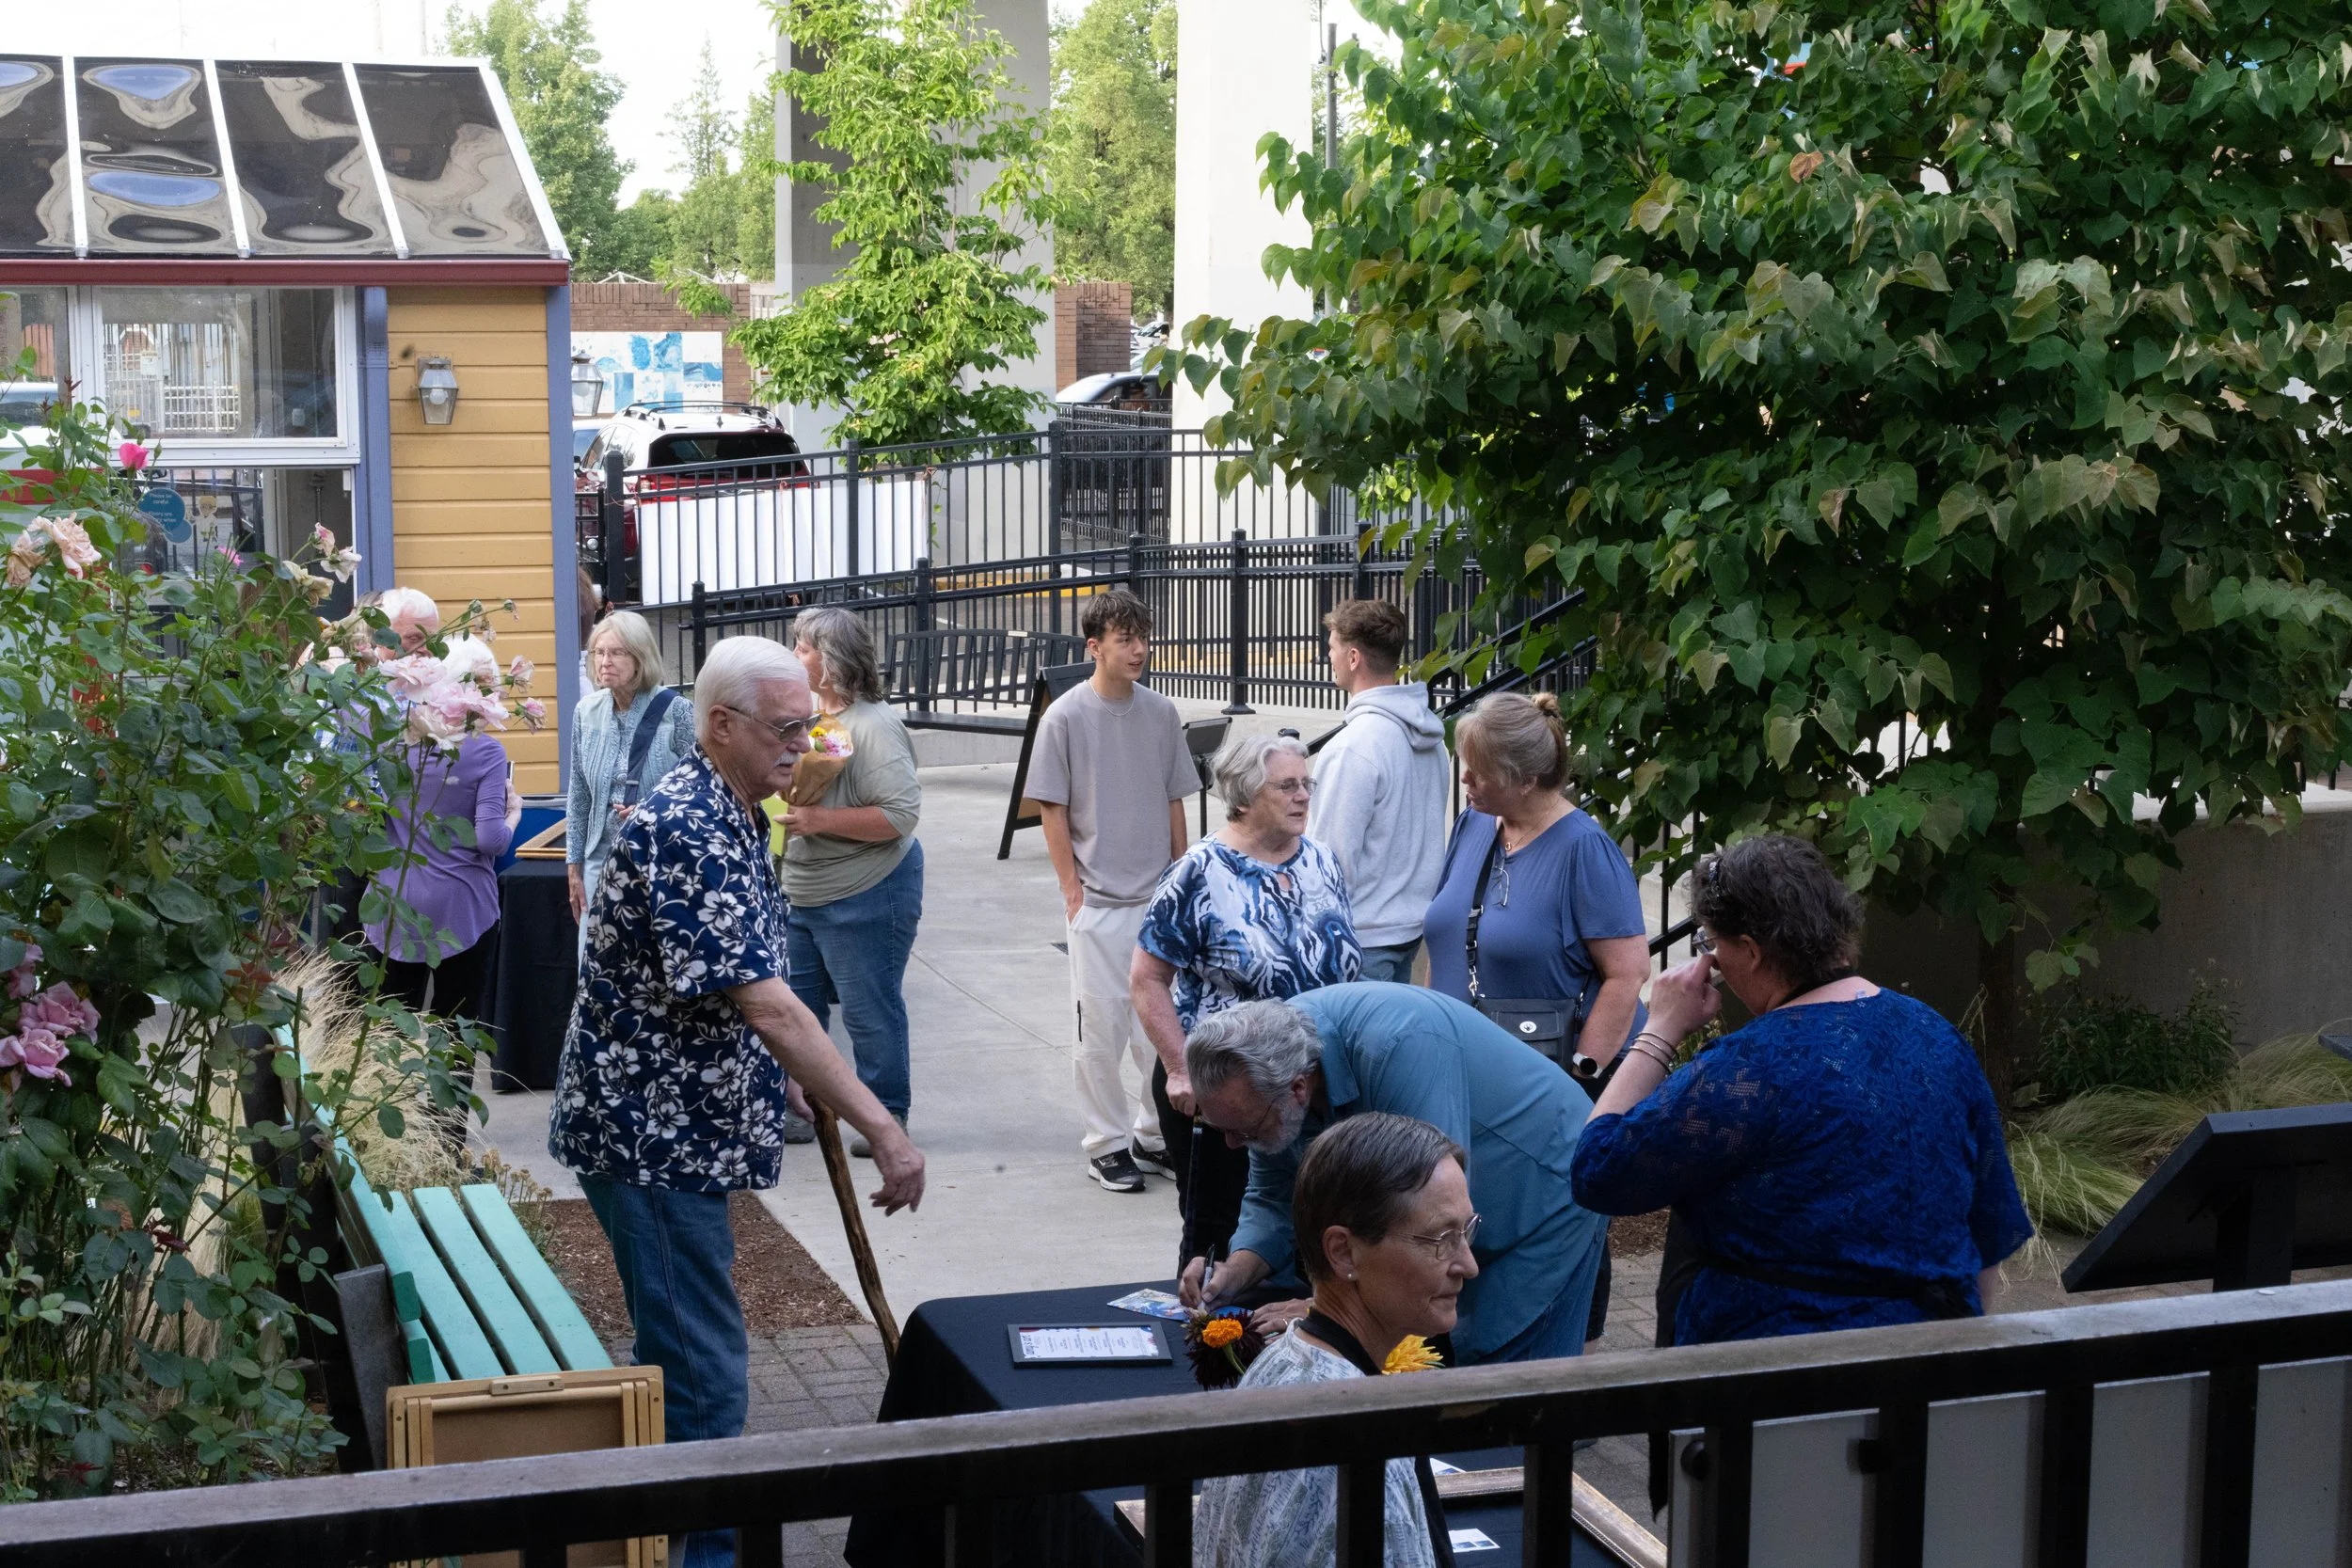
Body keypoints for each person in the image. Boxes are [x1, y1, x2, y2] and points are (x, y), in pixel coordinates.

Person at [548, 635, 925, 1568]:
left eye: (810, 725)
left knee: (684, 1354)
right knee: (705, 1375)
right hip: (651, 1140)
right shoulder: (692, 825)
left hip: (669, 1128)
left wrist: (779, 1070)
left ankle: (678, 1535)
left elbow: (725, 990)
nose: (802, 747)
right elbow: (768, 999)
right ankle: (699, 1554)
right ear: (721, 726)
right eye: (785, 728)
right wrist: (882, 1122)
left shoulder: (730, 808)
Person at [1570, 833, 2033, 1347]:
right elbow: (1989, 1232)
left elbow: (1596, 1171)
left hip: (1778, 1385)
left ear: (1748, 950)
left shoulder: (1749, 1070)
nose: (1710, 961)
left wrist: (1659, 1029)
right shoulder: (1937, 1036)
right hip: (1929, 1370)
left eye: (1710, 945)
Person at [1178, 983, 1608, 1365]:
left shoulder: (1399, 1042)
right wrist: (1235, 1270)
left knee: (1509, 1376)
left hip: (1548, 1187)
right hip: (1457, 1208)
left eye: (1244, 1129)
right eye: (1224, 1131)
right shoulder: (1271, 1063)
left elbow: (1426, 1204)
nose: (1233, 1145)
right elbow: (1272, 1196)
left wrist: (1323, 1311)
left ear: (1297, 1088)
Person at [1194, 1114, 1473, 1568]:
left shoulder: (1276, 1367)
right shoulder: (1362, 1450)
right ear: (1344, 1252)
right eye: (1442, 1239)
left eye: (1467, 1231)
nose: (1469, 1264)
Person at [1134, 733, 1361, 1269]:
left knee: (1312, 1233)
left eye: (1307, 784)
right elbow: (1146, 979)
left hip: (1309, 1091)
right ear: (1243, 797)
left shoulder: (1322, 860)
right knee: (1222, 1239)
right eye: (1286, 786)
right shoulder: (1199, 872)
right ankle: (1214, 1347)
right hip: (1227, 1091)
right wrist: (1178, 1069)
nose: (1303, 796)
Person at [1027, 588, 1200, 1194]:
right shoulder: (1065, 716)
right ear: (1094, 646)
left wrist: (1182, 881)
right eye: (1126, 639)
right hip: (1098, 903)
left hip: (1157, 902)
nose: (1140, 649)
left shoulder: (1160, 713)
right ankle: (1105, 1142)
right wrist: (1072, 892)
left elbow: (1174, 800)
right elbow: (1052, 808)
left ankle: (1154, 1135)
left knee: (1161, 1032)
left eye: (1143, 637)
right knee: (1098, 1031)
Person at [1422, 690, 1650, 1077]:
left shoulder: (1584, 850)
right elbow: (1447, 942)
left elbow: (1628, 975)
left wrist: (1578, 1078)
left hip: (1538, 1081)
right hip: (1461, 1067)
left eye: (1480, 770)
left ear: (1526, 781)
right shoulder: (1473, 824)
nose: (1465, 777)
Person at [783, 608, 923, 1158]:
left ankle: (886, 1111)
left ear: (832, 660)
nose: (794, 655)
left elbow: (900, 817)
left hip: (869, 890)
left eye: (803, 647)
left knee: (869, 1008)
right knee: (797, 1011)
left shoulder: (873, 726)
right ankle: (804, 1108)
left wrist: (818, 822)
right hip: (803, 891)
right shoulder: (813, 722)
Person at [367, 632, 519, 1027]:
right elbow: (490, 840)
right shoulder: (486, 752)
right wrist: (513, 815)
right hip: (464, 909)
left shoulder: (393, 744)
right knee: (456, 1033)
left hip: (393, 902)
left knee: (387, 1036)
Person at [1305, 600, 1448, 984]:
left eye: (1332, 647)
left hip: (1360, 938)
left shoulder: (1353, 747)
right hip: (1411, 928)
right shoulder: (1432, 737)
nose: (1328, 656)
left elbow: (1330, 859)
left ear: (1353, 657)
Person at [565, 610, 695, 949]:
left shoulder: (677, 711)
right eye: (599, 652)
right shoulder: (586, 711)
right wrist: (574, 866)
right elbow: (579, 794)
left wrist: (652, 810)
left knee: (649, 960)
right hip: (601, 855)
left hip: (660, 859)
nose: (605, 661)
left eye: (617, 652)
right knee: (593, 959)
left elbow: (700, 790)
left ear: (640, 658)